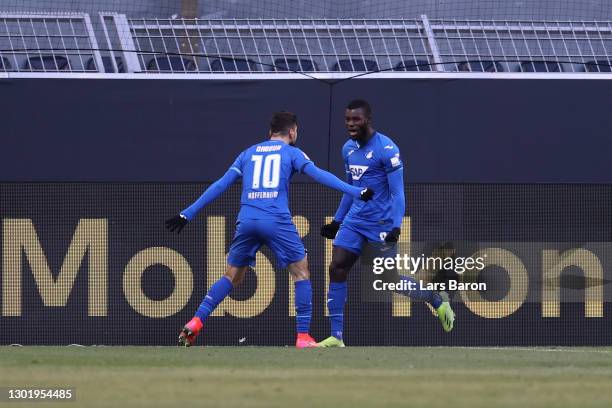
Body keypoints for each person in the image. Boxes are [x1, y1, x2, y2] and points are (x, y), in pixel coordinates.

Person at [165, 111, 374, 348]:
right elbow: (320, 175)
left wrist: (187, 213)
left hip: (247, 220)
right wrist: (356, 191)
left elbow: (221, 184)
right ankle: (303, 336)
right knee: (301, 272)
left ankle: (196, 321)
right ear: (293, 131)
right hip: (276, 220)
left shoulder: (247, 153)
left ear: (270, 133)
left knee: (231, 276)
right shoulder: (292, 152)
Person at [318, 99, 454, 347]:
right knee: (336, 268)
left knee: (388, 281)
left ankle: (435, 299)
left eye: (356, 119)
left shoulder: (386, 149)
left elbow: (397, 193)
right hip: (354, 221)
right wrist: (337, 221)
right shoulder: (347, 149)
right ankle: (336, 337)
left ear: (368, 119)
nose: (350, 124)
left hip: (380, 224)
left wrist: (395, 226)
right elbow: (352, 189)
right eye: (347, 119)